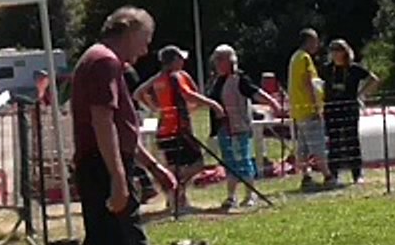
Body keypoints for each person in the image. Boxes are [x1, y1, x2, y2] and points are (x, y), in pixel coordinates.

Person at [65, 6, 194, 245]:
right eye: (144, 40)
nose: (145, 50)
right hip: (104, 168)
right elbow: (102, 122)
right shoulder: (104, 62)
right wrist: (120, 180)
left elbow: (121, 129)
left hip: (99, 167)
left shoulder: (97, 59)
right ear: (128, 30)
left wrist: (152, 166)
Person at [135, 45, 223, 209]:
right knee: (197, 164)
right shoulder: (176, 76)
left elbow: (138, 93)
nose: (183, 61)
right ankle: (176, 184)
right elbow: (187, 94)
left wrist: (155, 107)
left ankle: (176, 198)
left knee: (176, 163)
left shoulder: (158, 78)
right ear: (173, 61)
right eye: (180, 58)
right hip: (179, 129)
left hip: (164, 130)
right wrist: (213, 104)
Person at [207, 44, 280, 209]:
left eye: (220, 59)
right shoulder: (217, 80)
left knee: (243, 161)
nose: (217, 63)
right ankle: (231, 196)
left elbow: (255, 93)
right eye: (216, 59)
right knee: (229, 162)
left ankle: (250, 194)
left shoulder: (240, 79)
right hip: (223, 129)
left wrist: (273, 103)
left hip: (239, 128)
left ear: (230, 60)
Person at [322, 39, 380, 185]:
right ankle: (334, 174)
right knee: (334, 141)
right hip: (331, 109)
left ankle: (357, 173)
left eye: (338, 50)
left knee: (351, 140)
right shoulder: (327, 69)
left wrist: (361, 94)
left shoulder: (354, 69)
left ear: (345, 52)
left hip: (349, 108)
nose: (335, 54)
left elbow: (373, 79)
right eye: (332, 50)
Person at [288, 28, 337, 190]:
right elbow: (308, 82)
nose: (317, 45)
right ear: (309, 41)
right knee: (317, 144)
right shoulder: (305, 58)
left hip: (298, 109)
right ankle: (328, 176)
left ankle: (306, 176)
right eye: (315, 41)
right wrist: (316, 105)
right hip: (308, 109)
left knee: (302, 146)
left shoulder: (294, 58)